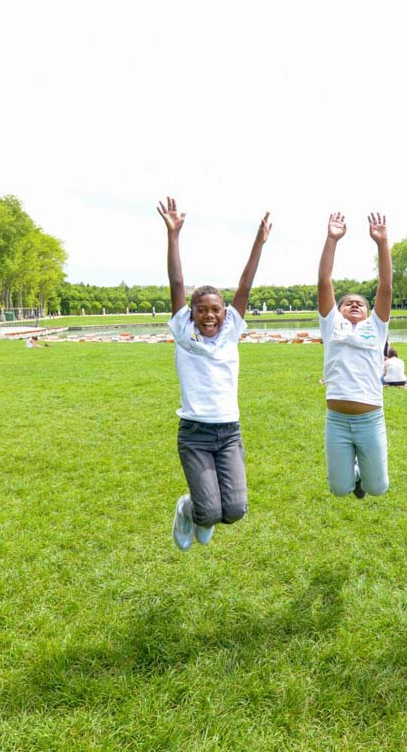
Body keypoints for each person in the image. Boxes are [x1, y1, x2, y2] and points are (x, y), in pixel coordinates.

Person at [159, 196, 271, 551]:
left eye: (216, 310)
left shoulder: (232, 329)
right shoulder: (183, 331)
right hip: (194, 433)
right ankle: (190, 509)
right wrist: (173, 234)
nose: (209, 315)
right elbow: (177, 282)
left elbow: (245, 285)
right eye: (201, 310)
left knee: (235, 510)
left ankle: (204, 513)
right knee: (208, 510)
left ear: (225, 313)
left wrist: (259, 242)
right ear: (190, 313)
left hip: (229, 432)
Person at [317, 211, 393, 500]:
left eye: (360, 303)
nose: (354, 305)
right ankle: (353, 474)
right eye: (348, 303)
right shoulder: (331, 324)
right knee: (339, 489)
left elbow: (385, 287)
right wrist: (332, 239)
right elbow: (324, 281)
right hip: (336, 419)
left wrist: (382, 244)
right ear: (339, 310)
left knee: (378, 488)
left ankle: (364, 472)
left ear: (368, 310)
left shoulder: (376, 326)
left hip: (370, 418)